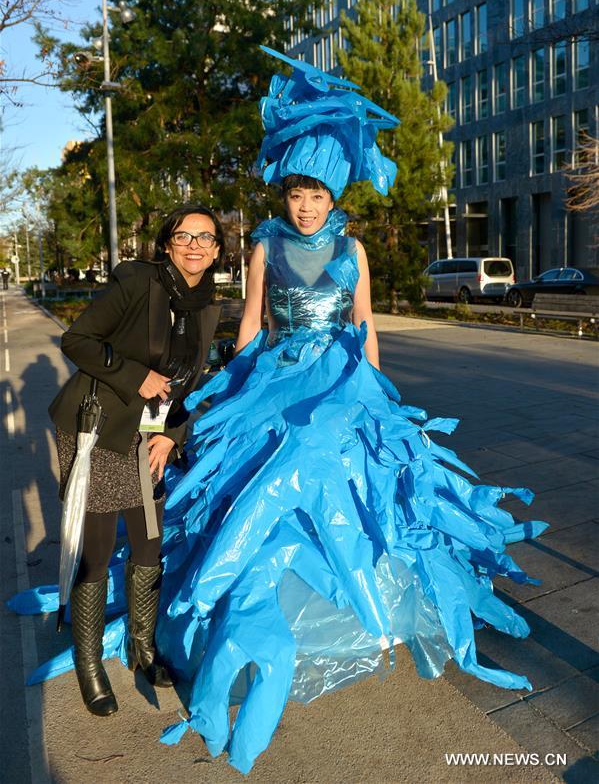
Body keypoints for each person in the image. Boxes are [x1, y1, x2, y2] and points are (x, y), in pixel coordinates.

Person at [11, 50, 546, 773]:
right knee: (236, 495)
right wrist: (230, 389)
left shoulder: (352, 249)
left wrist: (376, 396)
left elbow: (363, 326)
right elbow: (253, 328)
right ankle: (139, 646)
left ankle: (346, 615)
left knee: (347, 491)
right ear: (284, 193)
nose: (305, 205)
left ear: (333, 196)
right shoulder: (258, 248)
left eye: (317, 195)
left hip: (341, 383)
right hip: (259, 385)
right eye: (296, 192)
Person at [47, 205, 223, 716]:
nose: (195, 245)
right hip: (98, 427)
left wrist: (173, 435)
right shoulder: (136, 283)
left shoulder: (206, 304)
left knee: (148, 540)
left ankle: (144, 649)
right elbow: (76, 339)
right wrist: (132, 375)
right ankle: (89, 662)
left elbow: (187, 384)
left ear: (216, 252)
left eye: (206, 238)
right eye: (185, 235)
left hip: (149, 436)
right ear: (167, 243)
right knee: (98, 549)